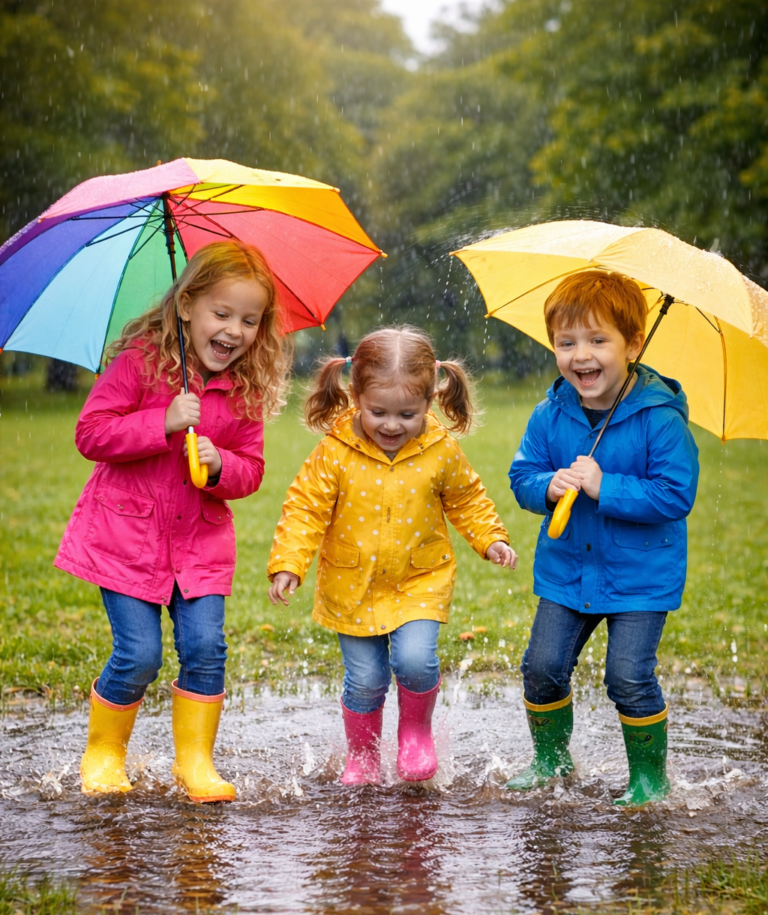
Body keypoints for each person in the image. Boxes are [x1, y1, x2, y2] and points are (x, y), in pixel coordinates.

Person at [55, 240, 290, 802]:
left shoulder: (245, 388)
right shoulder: (140, 362)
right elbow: (91, 434)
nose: (234, 330)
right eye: (221, 313)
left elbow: (252, 469)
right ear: (186, 306)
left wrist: (220, 465)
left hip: (198, 544)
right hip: (127, 539)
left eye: (249, 320)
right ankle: (104, 752)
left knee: (206, 648)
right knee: (139, 654)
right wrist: (160, 420)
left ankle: (196, 762)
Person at [267, 326, 517, 785]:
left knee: (415, 662)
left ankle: (415, 733)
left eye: (407, 414)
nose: (391, 425)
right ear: (356, 396)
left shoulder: (439, 449)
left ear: (429, 401)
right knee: (365, 680)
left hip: (419, 580)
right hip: (351, 585)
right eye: (378, 412)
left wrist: (490, 539)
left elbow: (467, 499)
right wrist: (288, 563)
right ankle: (362, 754)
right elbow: (305, 508)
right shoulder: (335, 452)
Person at [509, 270, 699, 805]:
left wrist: (604, 485)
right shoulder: (550, 414)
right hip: (567, 571)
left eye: (597, 340)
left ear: (633, 345)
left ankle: (648, 780)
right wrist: (548, 487)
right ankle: (550, 760)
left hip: (641, 577)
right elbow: (522, 476)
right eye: (566, 343)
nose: (581, 356)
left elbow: (675, 494)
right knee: (542, 668)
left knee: (628, 677)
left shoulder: (659, 420)